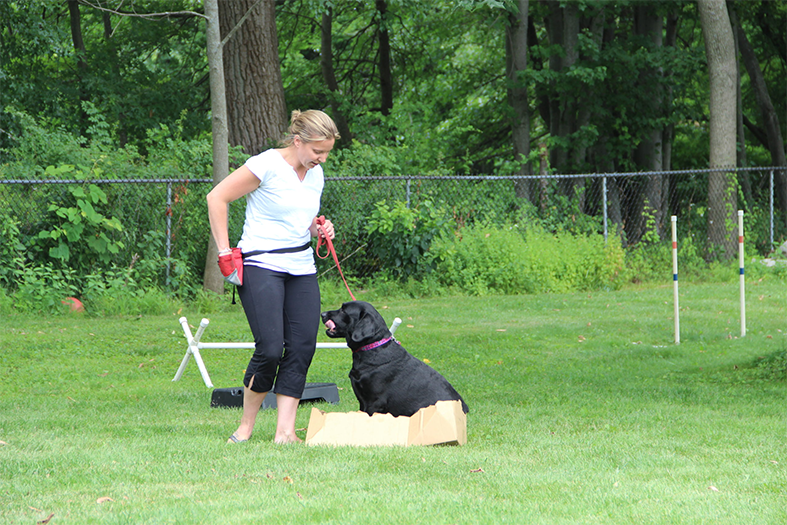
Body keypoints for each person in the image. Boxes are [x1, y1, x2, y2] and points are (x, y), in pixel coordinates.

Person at [206, 109, 340, 444]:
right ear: (298, 141)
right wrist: (225, 252)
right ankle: (245, 427)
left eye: (326, 153)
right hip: (261, 264)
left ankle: (285, 432)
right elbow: (216, 197)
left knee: (302, 347)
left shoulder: (316, 175)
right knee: (269, 349)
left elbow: (302, 225)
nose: (322, 159)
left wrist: (319, 229)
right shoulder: (265, 164)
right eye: (317, 152)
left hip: (302, 267)